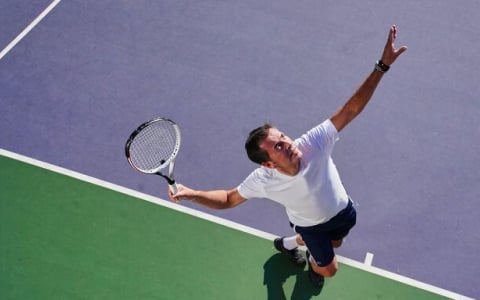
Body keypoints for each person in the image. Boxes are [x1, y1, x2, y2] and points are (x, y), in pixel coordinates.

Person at [168, 24, 407, 287]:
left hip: (342, 211)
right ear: (268, 163)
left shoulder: (313, 142)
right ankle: (310, 262)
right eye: (278, 146)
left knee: (336, 241)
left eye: (283, 137)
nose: (287, 143)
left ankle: (287, 244)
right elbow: (228, 199)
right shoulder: (262, 180)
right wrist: (191, 194)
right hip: (310, 226)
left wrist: (382, 66)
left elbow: (350, 110)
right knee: (329, 270)